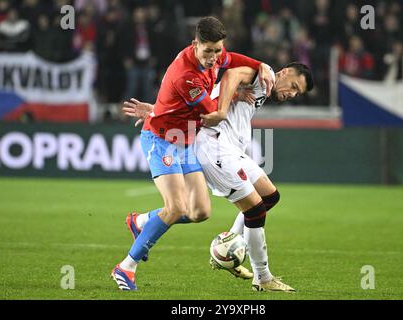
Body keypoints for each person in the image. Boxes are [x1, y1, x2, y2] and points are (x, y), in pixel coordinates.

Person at [111, 16, 274, 291]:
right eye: (207, 51)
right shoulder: (187, 75)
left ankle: (141, 221)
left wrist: (261, 66)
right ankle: (126, 267)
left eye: (217, 50)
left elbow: (231, 59)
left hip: (185, 140)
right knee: (175, 208)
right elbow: (213, 114)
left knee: (200, 212)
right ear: (194, 45)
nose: (213, 58)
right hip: (162, 140)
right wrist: (234, 95)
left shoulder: (214, 57)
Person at [128, 62, 314, 292]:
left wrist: (161, 109)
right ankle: (263, 277)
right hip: (214, 146)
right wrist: (222, 111)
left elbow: (210, 93)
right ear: (284, 72)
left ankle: (227, 246)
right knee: (255, 211)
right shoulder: (261, 75)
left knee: (270, 197)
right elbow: (232, 74)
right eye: (293, 86)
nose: (292, 94)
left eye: (297, 93)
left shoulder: (263, 88)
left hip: (230, 146)